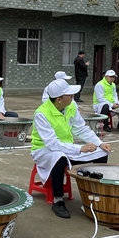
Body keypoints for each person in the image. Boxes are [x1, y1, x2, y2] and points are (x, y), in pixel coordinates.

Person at [31, 79, 110, 218]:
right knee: (59, 157)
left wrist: (99, 143)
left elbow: (81, 129)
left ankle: (97, 191)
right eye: (69, 95)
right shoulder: (41, 113)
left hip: (68, 148)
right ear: (59, 99)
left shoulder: (70, 107)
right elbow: (52, 144)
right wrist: (80, 149)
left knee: (102, 152)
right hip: (44, 151)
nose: (73, 96)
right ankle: (58, 200)